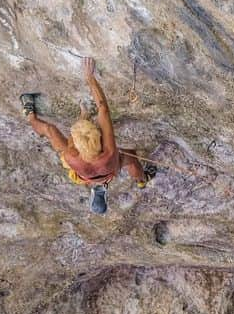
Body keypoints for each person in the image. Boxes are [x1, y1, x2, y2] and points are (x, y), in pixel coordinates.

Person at [20, 58, 154, 215]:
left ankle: (30, 116)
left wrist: (83, 116)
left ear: (76, 146)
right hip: (107, 169)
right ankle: (141, 180)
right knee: (131, 156)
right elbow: (103, 109)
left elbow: (73, 140)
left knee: (50, 130)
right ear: (98, 138)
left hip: (85, 173)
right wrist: (90, 78)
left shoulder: (71, 155)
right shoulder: (109, 153)